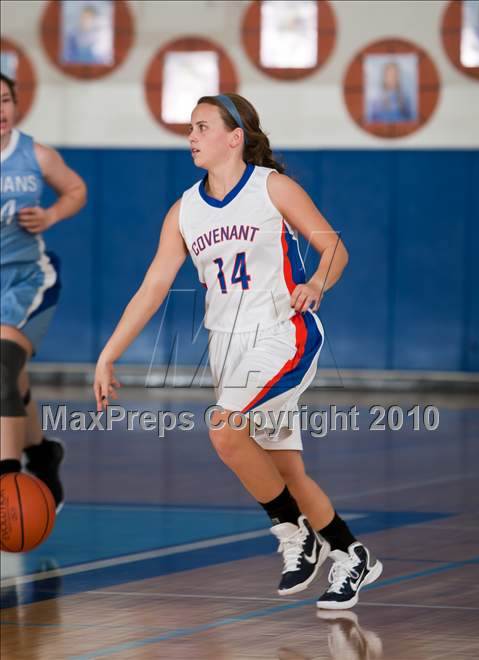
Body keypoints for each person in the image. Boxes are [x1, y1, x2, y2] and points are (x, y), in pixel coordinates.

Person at [93, 93, 382, 609]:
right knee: (286, 472)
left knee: (224, 429)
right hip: (227, 348)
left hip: (281, 333)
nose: (191, 137)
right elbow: (153, 287)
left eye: (202, 127)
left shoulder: (272, 187)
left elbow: (334, 247)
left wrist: (317, 281)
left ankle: (292, 530)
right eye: (190, 128)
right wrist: (108, 353)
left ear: (234, 137)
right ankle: (349, 552)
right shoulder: (184, 210)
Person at [0, 73, 87, 510]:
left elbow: (76, 190)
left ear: (16, 104)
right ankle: (41, 452)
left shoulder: (35, 154)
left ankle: (6, 482)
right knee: (11, 376)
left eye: (4, 100)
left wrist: (50, 216)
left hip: (25, 279)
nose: (0, 110)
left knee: (2, 367)